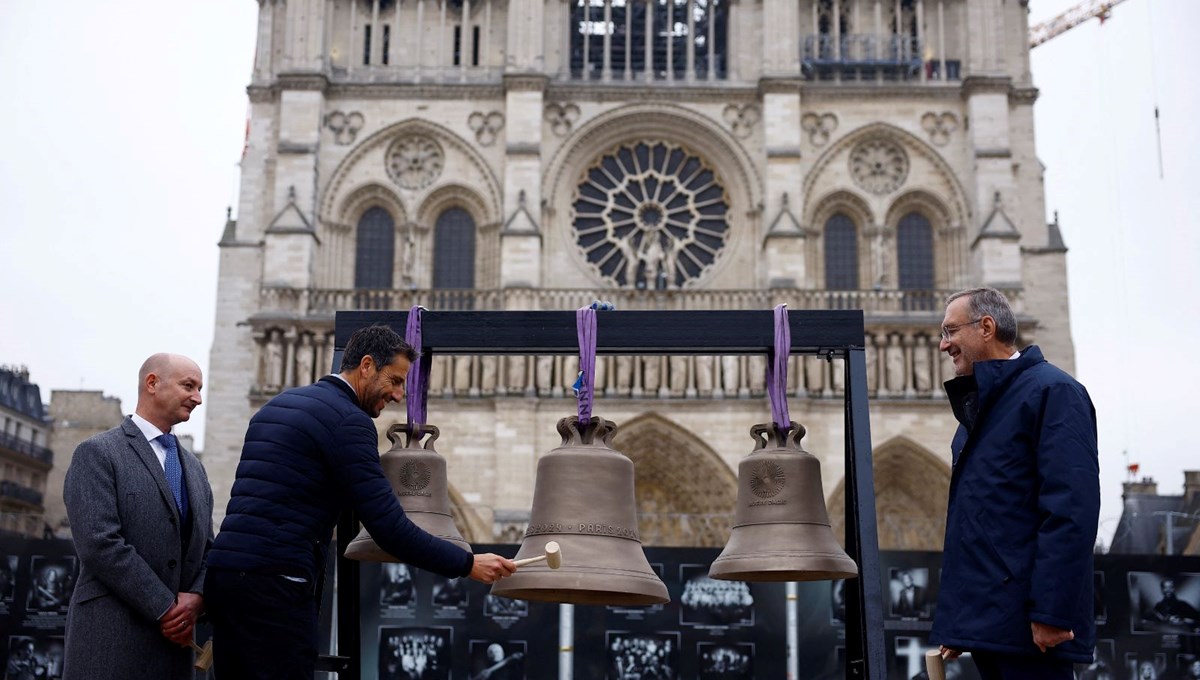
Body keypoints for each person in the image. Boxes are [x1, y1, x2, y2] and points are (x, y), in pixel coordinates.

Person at [205, 324, 515, 678]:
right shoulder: (349, 421)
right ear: (366, 365)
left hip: (225, 580)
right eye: (396, 380)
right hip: (277, 586)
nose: (399, 395)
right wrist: (467, 563)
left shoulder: (275, 407)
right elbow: (389, 528)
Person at [930, 288, 1099, 679]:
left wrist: (1052, 612)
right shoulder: (980, 412)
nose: (943, 345)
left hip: (1035, 629)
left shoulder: (1053, 392)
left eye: (950, 331)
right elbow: (980, 526)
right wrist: (963, 622)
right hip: (997, 626)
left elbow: (1071, 508)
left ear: (986, 327)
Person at [62, 353, 213, 680]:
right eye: (189, 386)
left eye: (200, 388)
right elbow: (99, 544)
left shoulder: (196, 470)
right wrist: (166, 606)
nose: (198, 398)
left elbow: (207, 547)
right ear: (152, 383)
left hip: (173, 652)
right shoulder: (98, 453)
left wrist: (197, 598)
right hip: (111, 645)